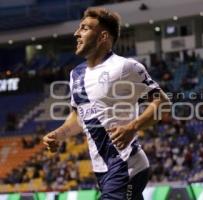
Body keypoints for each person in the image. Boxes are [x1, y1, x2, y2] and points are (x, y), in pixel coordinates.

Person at [43, 7, 170, 200]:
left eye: (85, 28)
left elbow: (162, 102)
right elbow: (79, 117)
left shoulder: (125, 67)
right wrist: (59, 134)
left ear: (103, 36)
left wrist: (132, 127)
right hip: (102, 170)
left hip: (126, 163)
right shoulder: (75, 74)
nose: (77, 33)